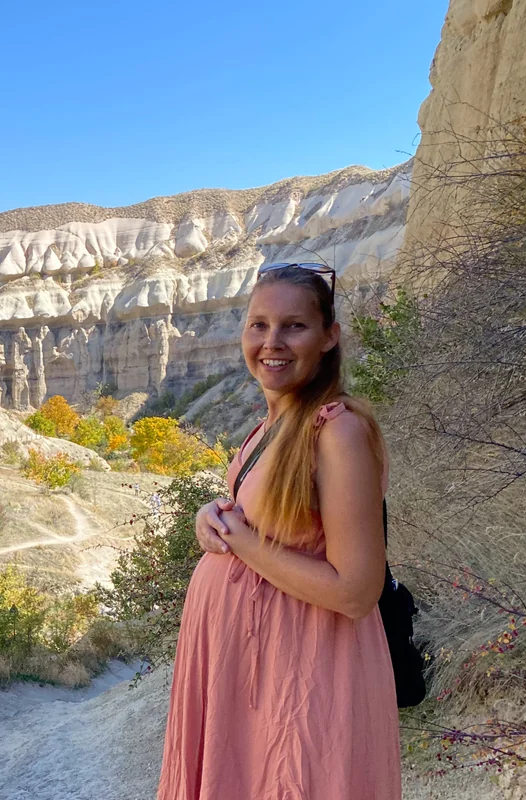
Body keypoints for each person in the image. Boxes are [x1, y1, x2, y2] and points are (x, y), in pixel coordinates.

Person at [157, 264, 401, 799]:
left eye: (294, 326)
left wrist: (242, 543)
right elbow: (271, 518)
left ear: (329, 337)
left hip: (302, 670)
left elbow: (357, 590)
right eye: (258, 325)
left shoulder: (338, 431)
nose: (272, 342)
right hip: (247, 671)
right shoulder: (272, 425)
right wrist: (212, 517)